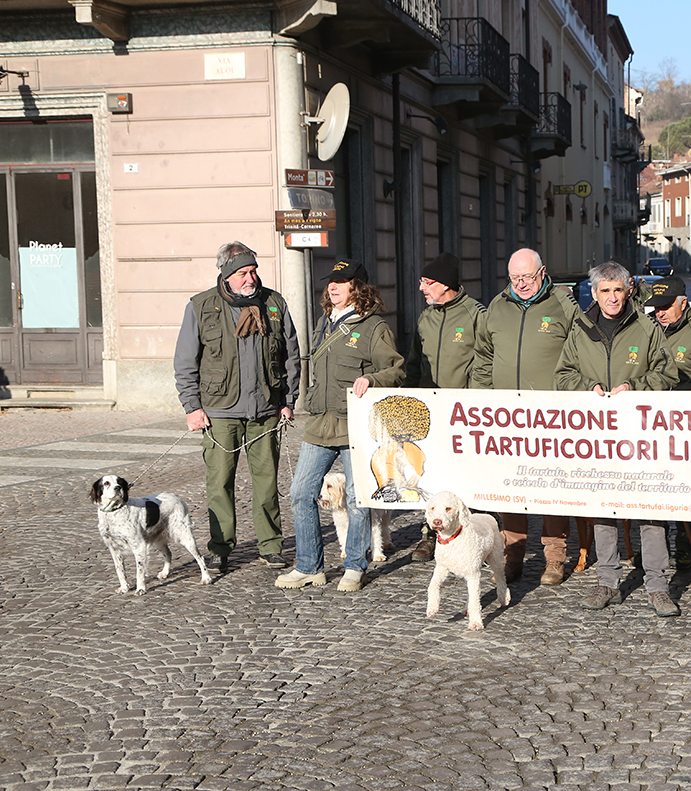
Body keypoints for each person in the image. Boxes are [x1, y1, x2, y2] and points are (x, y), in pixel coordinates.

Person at [555, 262, 680, 615]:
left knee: (651, 509)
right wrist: (586, 387)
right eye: (605, 291)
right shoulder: (581, 330)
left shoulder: (647, 328)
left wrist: (635, 388)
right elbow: (562, 373)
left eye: (618, 290)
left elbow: (667, 371)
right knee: (603, 506)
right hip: (598, 435)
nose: (612, 297)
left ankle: (657, 585)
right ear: (594, 293)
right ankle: (608, 581)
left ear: (628, 291)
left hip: (642, 435)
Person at [276, 260, 405, 591]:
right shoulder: (324, 323)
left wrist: (372, 378)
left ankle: (354, 566)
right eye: (331, 282)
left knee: (358, 496)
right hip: (321, 420)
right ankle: (308, 566)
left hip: (354, 425)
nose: (333, 287)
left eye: (342, 282)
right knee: (301, 493)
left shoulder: (374, 327)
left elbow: (396, 370)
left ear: (357, 288)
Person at [174, 242, 301, 573]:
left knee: (267, 481)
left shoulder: (273, 304)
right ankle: (220, 548)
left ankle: (271, 546)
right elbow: (185, 362)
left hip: (265, 410)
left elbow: (290, 356)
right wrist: (192, 407)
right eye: (244, 272)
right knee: (220, 483)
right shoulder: (201, 307)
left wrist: (288, 400)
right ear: (227, 275)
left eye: (254, 270)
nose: (251, 277)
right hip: (219, 411)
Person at [471, 248, 581, 585]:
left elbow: (582, 351)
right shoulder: (497, 307)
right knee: (511, 486)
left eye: (528, 277)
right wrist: (481, 402)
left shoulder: (563, 305)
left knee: (551, 486)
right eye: (515, 277)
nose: (521, 283)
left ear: (542, 272)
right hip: (507, 417)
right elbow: (483, 358)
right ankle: (512, 555)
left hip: (552, 416)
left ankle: (554, 558)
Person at [403, 251, 487, 562]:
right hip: (428, 413)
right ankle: (431, 535)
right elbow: (414, 363)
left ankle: (468, 531)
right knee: (431, 475)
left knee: (464, 475)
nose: (422, 288)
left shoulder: (476, 315)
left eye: (427, 282)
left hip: (462, 413)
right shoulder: (426, 317)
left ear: (445, 284)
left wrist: (471, 400)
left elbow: (484, 362)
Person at [645, 276, 691, 569]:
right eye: (656, 307)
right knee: (652, 486)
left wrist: (675, 391)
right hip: (649, 421)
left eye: (666, 306)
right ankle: (654, 549)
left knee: (687, 485)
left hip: (684, 422)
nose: (660, 312)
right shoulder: (646, 329)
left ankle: (688, 543)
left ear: (682, 303)